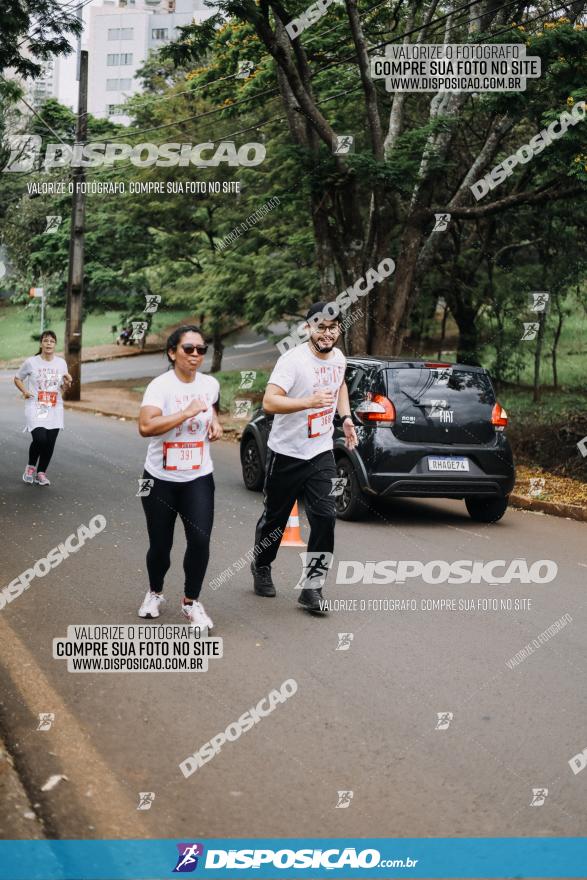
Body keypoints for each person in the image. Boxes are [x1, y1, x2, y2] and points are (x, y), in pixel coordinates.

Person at [251, 301, 358, 613]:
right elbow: (270, 402)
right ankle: (261, 565)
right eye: (321, 327)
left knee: (325, 517)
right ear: (309, 328)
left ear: (339, 329)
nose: (327, 333)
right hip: (286, 453)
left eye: (333, 327)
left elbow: (340, 385)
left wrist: (346, 417)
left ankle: (312, 588)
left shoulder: (339, 358)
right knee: (275, 519)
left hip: (320, 451)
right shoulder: (292, 361)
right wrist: (307, 402)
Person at [137, 325, 223, 630]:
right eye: (189, 349)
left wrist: (215, 423)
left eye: (201, 349)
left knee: (200, 539)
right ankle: (154, 593)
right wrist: (185, 413)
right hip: (158, 478)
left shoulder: (210, 384)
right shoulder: (159, 387)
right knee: (160, 544)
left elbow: (210, 410)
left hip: (198, 476)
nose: (196, 355)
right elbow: (146, 427)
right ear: (172, 352)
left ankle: (191, 602)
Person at [14, 330, 72, 486]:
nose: (48, 344)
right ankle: (31, 467)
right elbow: (17, 378)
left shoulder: (61, 363)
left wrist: (67, 383)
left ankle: (41, 473)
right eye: (46, 341)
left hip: (54, 406)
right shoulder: (31, 362)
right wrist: (25, 391)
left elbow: (63, 387)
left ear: (55, 345)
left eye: (52, 341)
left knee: (50, 442)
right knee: (40, 438)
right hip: (35, 405)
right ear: (41, 344)